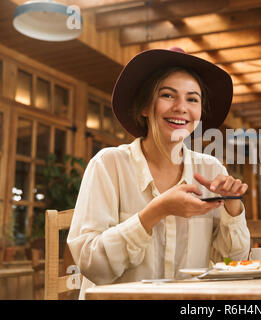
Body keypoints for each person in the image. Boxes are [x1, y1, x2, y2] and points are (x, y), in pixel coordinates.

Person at [67, 47, 251, 299]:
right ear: (145, 107)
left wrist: (232, 208)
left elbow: (232, 262)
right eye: (168, 95)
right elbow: (92, 265)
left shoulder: (211, 169)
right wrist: (155, 211)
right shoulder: (108, 164)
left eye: (193, 99)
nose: (181, 107)